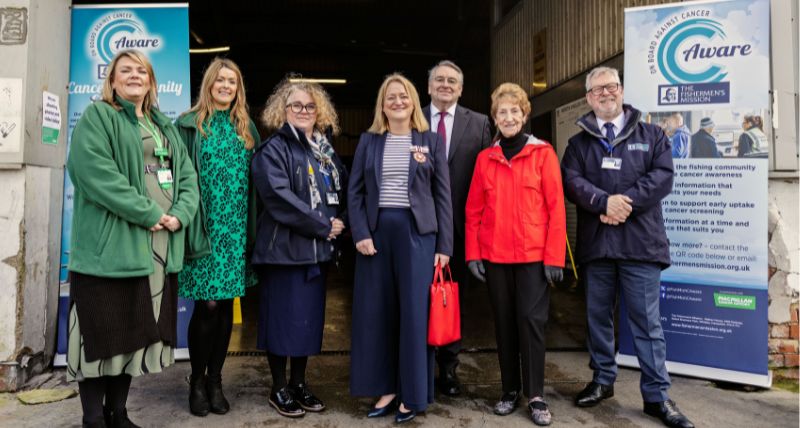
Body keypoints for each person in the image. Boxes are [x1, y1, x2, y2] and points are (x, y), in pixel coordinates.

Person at [66, 49, 199, 428]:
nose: (135, 75)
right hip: (110, 249)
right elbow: (96, 175)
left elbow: (187, 178)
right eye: (126, 70)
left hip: (156, 249)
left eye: (142, 70)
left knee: (133, 331)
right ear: (111, 80)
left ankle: (118, 412)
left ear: (152, 81)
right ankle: (93, 418)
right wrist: (150, 213)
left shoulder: (164, 126)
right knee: (100, 333)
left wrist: (181, 213)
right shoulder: (98, 117)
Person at [561, 66, 694, 428]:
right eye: (597, 89)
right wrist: (603, 202)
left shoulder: (652, 134)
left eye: (611, 86)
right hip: (598, 246)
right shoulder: (578, 144)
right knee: (598, 318)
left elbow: (663, 177)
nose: (605, 93)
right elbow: (571, 182)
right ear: (588, 98)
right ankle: (603, 380)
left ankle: (656, 396)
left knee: (647, 323)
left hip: (640, 244)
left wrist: (625, 203)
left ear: (621, 91)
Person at [348, 73, 453, 424]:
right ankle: (386, 388)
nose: (397, 102)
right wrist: (360, 232)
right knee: (378, 314)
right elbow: (356, 192)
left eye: (403, 96)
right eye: (390, 97)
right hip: (376, 238)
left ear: (413, 101)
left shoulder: (430, 141)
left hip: (418, 237)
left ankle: (413, 394)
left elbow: (443, 197)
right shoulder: (369, 141)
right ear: (382, 104)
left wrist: (444, 245)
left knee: (413, 316)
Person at [465, 83, 566, 426]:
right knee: (505, 324)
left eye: (514, 111)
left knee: (532, 324)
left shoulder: (543, 154)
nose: (508, 117)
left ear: (525, 115)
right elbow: (474, 211)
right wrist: (473, 254)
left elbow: (556, 208)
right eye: (501, 112)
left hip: (533, 258)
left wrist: (555, 257)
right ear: (495, 118)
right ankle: (509, 390)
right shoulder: (485, 159)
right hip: (495, 258)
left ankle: (535, 394)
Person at [251, 78, 348, 419]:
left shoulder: (323, 150)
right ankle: (278, 387)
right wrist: (324, 225)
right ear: (283, 110)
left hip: (317, 252)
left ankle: (299, 383)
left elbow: (342, 188)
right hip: (284, 253)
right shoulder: (272, 149)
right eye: (296, 105)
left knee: (306, 323)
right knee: (281, 322)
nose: (304, 111)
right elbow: (279, 198)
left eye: (310, 106)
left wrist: (341, 221)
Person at [176, 58, 261, 417]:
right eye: (220, 80)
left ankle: (215, 379)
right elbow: (174, 173)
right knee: (207, 305)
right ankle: (196, 380)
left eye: (233, 81)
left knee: (225, 304)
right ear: (209, 83)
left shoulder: (247, 129)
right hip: (204, 227)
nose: (226, 85)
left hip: (236, 229)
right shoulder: (188, 125)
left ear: (238, 87)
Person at [421, 60, 492, 396]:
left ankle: (449, 370)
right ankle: (418, 367)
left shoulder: (479, 124)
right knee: (417, 298)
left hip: (462, 232)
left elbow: (489, 180)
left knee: (451, 300)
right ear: (429, 86)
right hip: (418, 229)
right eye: (439, 80)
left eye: (452, 80)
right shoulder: (412, 118)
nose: (445, 85)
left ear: (461, 89)